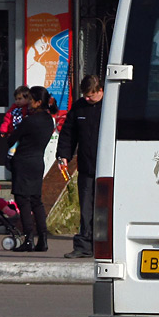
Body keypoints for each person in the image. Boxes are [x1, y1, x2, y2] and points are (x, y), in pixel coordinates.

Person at [5, 86, 57, 252]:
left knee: (23, 200)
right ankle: (43, 238)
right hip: (37, 162)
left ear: (38, 102)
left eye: (30, 99)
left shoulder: (29, 121)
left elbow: (11, 138)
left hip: (23, 162)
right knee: (36, 200)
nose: (27, 102)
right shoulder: (49, 120)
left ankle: (29, 239)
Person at [56, 74, 103, 259]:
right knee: (86, 208)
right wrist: (63, 155)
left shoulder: (110, 106)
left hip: (109, 167)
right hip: (86, 166)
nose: (87, 98)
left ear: (100, 91)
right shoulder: (79, 107)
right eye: (85, 95)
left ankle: (108, 244)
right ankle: (84, 245)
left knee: (107, 208)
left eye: (91, 95)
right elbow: (68, 132)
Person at [0, 85, 32, 172]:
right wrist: (4, 130)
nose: (17, 101)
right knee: (14, 145)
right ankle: (10, 159)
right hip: (13, 132)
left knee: (17, 147)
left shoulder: (28, 109)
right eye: (16, 99)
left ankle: (11, 157)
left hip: (22, 133)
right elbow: (7, 119)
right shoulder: (14, 109)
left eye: (20, 99)